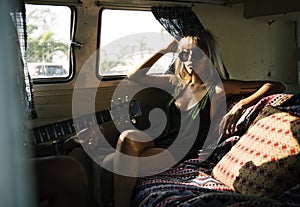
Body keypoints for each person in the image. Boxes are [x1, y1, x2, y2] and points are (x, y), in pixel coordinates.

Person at [99, 30, 286, 207]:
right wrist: (164, 50)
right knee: (114, 154)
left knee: (117, 156)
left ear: (208, 56)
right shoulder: (176, 83)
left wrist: (241, 105)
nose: (189, 60)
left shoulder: (218, 87)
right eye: (184, 54)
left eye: (196, 54)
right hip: (160, 141)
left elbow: (276, 85)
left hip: (181, 151)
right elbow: (135, 75)